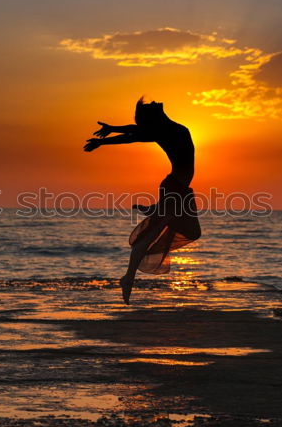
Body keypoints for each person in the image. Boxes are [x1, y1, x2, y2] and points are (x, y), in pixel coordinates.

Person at [84, 98, 201, 304]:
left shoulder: (169, 129)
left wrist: (112, 128)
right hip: (173, 187)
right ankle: (128, 278)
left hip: (177, 188)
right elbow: (132, 136)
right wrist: (103, 140)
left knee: (193, 231)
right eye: (150, 108)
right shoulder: (165, 131)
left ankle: (156, 209)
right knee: (148, 236)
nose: (156, 103)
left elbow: (133, 131)